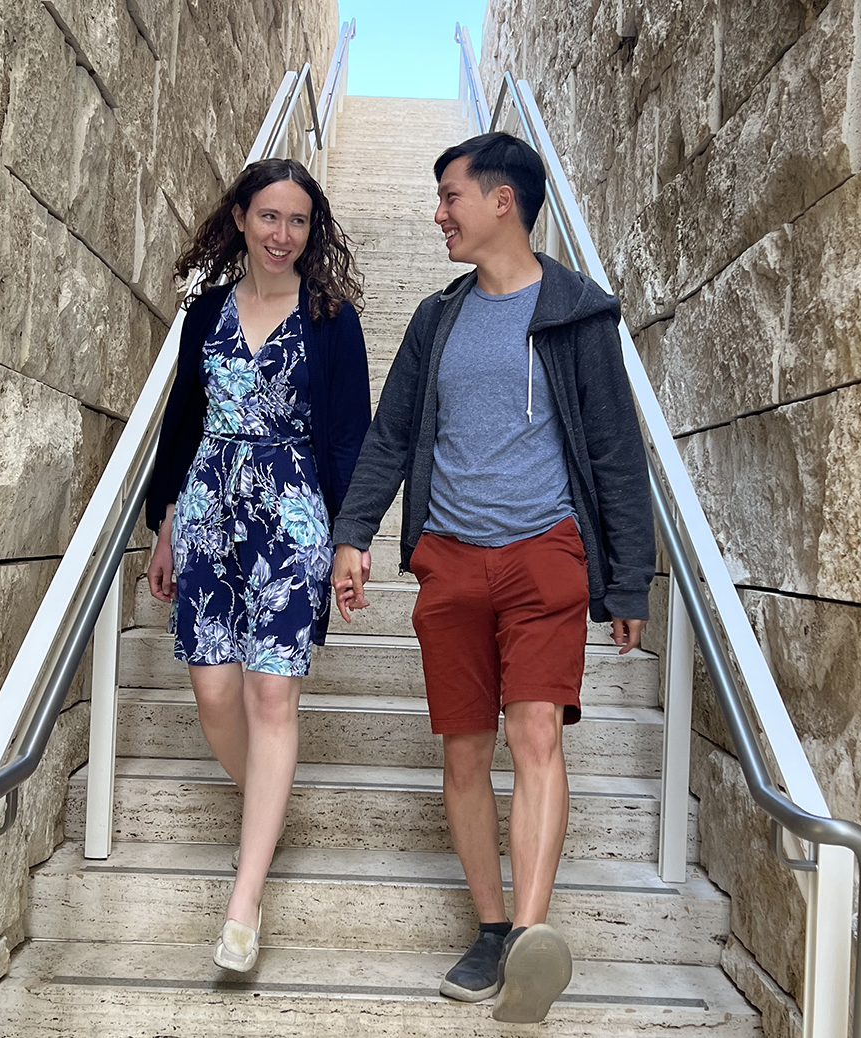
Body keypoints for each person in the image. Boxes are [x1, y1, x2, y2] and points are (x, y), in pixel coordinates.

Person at [329, 132, 654, 1023]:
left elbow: (616, 454)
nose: (439, 214)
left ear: (501, 200)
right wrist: (352, 534)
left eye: (450, 197)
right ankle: (490, 925)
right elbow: (391, 433)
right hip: (451, 558)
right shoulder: (439, 318)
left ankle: (530, 942)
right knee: (464, 748)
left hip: (547, 553)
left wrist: (629, 582)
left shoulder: (578, 314)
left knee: (536, 736)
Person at [145, 157, 370, 974]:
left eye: (299, 221)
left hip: (292, 508)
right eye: (269, 217)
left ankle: (245, 898)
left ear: (314, 232)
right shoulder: (204, 312)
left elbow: (351, 435)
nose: (283, 234)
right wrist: (163, 525)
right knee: (214, 692)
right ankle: (265, 810)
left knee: (271, 691)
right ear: (240, 218)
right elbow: (181, 422)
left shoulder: (332, 317)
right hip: (206, 503)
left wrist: (352, 538)